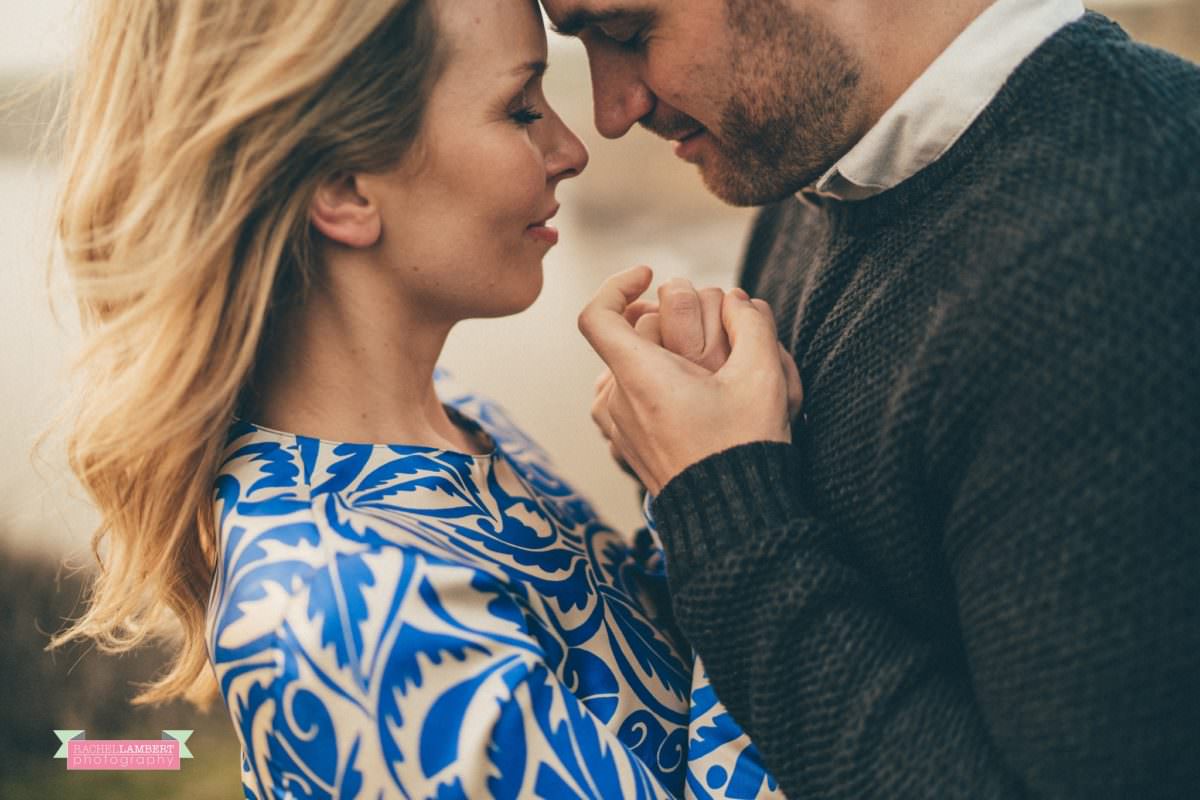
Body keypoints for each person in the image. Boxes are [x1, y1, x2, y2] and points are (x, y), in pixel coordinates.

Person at [47, 0, 786, 797]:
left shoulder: (452, 422)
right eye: (521, 108)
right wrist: (735, 496)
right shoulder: (340, 620)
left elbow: (648, 684)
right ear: (344, 187)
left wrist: (684, 472)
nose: (572, 149)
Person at [552, 0, 1200, 795]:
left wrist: (721, 505)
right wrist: (699, 446)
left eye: (625, 34)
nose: (611, 112)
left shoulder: (1125, 247)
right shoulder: (825, 176)